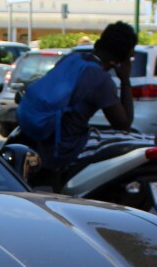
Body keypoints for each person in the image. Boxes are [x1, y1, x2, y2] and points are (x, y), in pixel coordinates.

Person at [15, 22, 136, 192]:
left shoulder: (72, 59)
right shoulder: (100, 78)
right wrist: (125, 79)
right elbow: (123, 124)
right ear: (122, 57)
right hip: (68, 147)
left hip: (42, 137)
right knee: (150, 143)